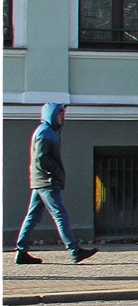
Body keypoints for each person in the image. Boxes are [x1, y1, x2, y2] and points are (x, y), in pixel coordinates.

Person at [15, 104, 98, 265]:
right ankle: (74, 251)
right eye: (60, 114)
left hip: (40, 180)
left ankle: (21, 251)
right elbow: (41, 158)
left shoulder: (47, 131)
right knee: (61, 215)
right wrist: (56, 173)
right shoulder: (46, 132)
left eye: (63, 114)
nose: (62, 118)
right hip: (48, 181)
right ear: (52, 114)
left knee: (32, 217)